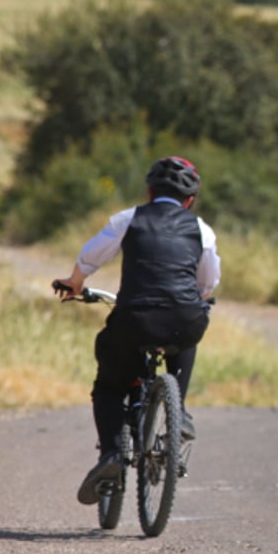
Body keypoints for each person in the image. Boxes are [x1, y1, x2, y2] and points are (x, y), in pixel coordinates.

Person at [54, 156, 221, 506]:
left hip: (135, 319)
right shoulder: (201, 229)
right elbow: (208, 283)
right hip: (183, 320)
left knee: (110, 385)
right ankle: (181, 410)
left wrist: (75, 283)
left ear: (149, 192)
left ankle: (112, 453)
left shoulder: (129, 219)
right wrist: (196, 299)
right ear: (190, 199)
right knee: (188, 330)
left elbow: (91, 256)